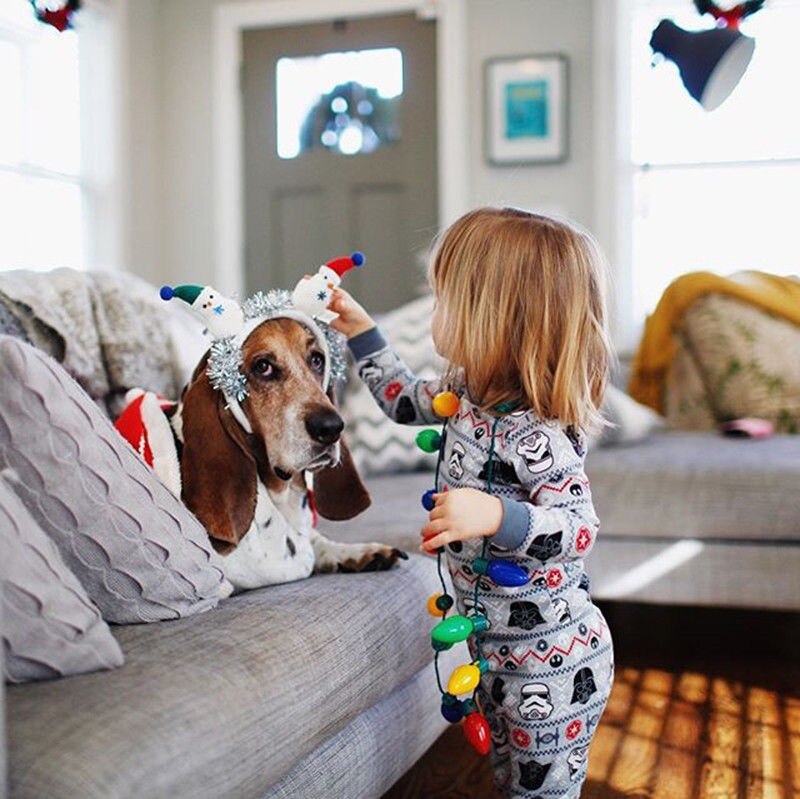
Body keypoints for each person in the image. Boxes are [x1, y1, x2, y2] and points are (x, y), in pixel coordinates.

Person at [329, 206, 614, 798]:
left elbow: (579, 529)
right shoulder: (460, 393)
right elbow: (403, 399)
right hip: (492, 648)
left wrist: (497, 517)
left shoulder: (539, 437)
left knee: (542, 793)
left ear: (498, 320)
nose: (433, 314)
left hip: (551, 664)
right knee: (510, 777)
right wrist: (361, 332)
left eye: (442, 301)